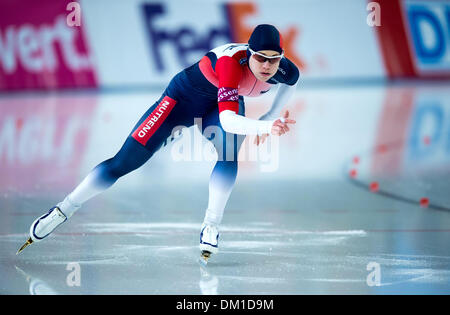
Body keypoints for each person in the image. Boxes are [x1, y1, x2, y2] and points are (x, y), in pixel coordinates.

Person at [17, 24, 300, 262]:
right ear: (249, 54)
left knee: (228, 154)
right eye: (260, 58)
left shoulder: (285, 70)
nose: (266, 66)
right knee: (123, 163)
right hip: (182, 100)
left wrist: (270, 114)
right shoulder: (230, 64)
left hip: (217, 106)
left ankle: (211, 225)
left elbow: (291, 84)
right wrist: (266, 125)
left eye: (273, 60)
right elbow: (229, 121)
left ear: (281, 58)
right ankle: (63, 210)